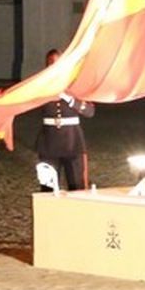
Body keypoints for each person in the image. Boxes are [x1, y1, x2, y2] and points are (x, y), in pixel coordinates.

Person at [34, 49, 94, 191]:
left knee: (77, 186)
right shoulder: (40, 86)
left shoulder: (76, 85)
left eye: (57, 63)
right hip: (49, 143)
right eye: (51, 64)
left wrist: (70, 99)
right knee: (47, 187)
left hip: (72, 142)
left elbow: (89, 111)